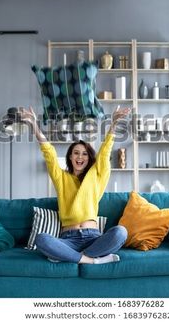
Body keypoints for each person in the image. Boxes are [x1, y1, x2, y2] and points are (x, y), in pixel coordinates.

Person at [21, 106, 130, 264]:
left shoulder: (97, 176)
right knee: (42, 239)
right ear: (70, 157)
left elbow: (105, 152)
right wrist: (34, 126)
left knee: (120, 232)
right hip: (68, 240)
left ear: (89, 158)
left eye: (84, 153)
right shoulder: (61, 178)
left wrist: (113, 125)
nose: (80, 156)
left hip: (93, 238)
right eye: (76, 153)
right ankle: (92, 260)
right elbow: (49, 153)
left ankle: (69, 256)